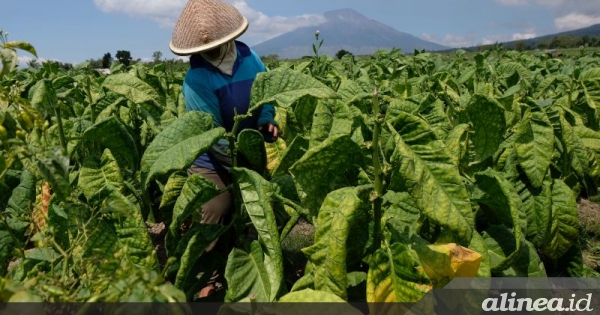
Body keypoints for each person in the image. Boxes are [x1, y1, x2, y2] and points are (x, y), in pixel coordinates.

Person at [169, 0, 278, 298]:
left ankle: (262, 272)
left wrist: (267, 120)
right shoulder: (197, 79)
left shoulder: (251, 58)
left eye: (217, 43)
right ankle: (203, 277)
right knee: (217, 208)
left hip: (248, 149)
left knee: (260, 207)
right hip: (210, 158)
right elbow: (213, 136)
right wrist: (242, 169)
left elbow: (267, 93)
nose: (211, 50)